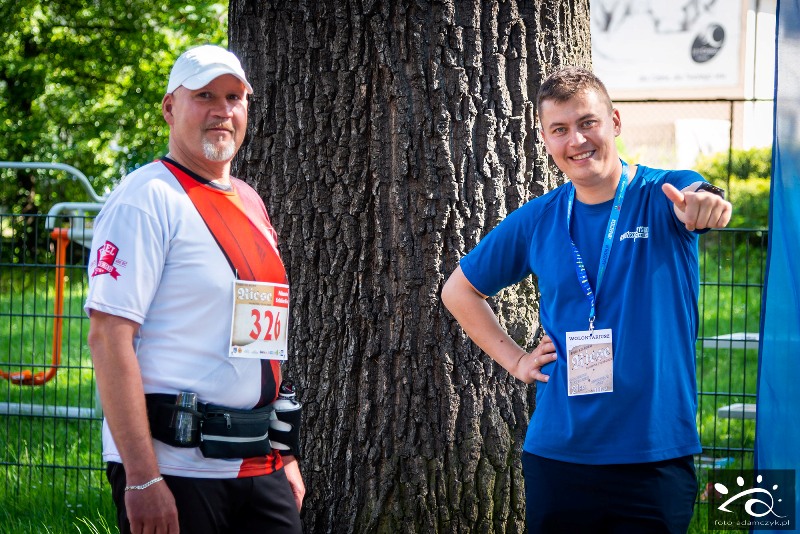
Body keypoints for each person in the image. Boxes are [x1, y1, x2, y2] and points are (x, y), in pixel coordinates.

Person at [441, 66, 732, 533]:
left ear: (614, 122)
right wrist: (517, 360)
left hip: (654, 453)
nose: (576, 140)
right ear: (545, 139)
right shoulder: (539, 219)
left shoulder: (662, 194)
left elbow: (701, 193)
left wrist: (708, 201)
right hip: (559, 455)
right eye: (559, 129)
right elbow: (458, 291)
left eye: (587, 122)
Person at [86, 45, 304, 534]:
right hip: (175, 468)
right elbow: (108, 338)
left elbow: (260, 338)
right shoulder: (146, 199)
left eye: (234, 97)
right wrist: (142, 479)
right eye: (204, 95)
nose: (222, 110)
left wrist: (283, 452)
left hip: (256, 463)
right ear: (170, 108)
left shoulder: (249, 201)